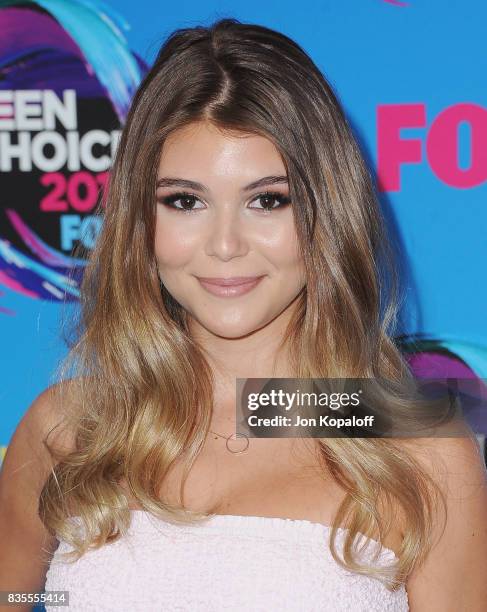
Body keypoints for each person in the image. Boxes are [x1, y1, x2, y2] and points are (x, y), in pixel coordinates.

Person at [1, 17, 486, 612]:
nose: (225, 244)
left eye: (267, 200)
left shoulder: (413, 446)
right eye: (185, 201)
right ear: (140, 222)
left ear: (325, 212)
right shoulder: (73, 427)